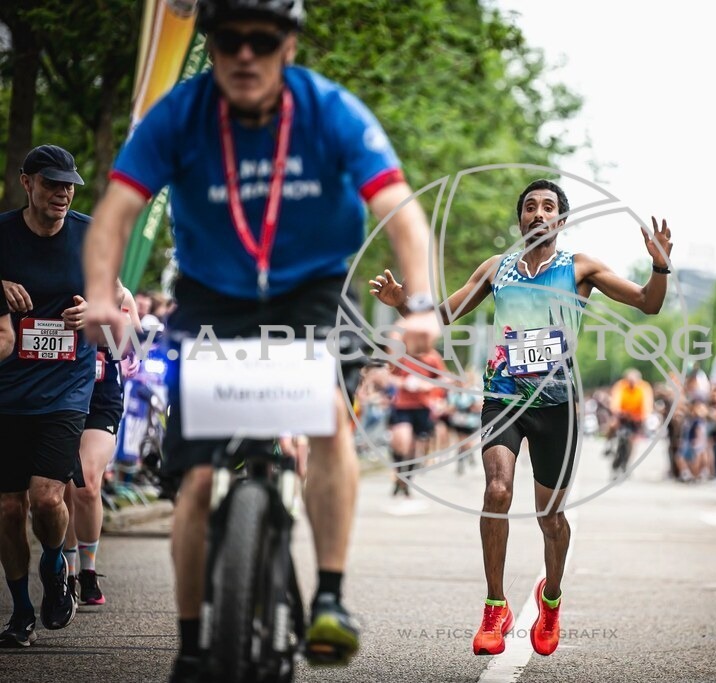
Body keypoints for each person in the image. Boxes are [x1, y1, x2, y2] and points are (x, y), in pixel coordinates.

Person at [81, 1, 434, 678]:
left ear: (288, 46)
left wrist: (420, 305)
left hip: (313, 291)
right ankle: (189, 641)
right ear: (211, 46)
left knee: (329, 416)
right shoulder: (182, 113)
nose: (245, 55)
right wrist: (100, 296)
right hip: (214, 295)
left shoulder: (330, 109)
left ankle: (329, 594)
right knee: (197, 475)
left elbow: (402, 212)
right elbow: (117, 209)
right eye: (228, 40)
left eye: (262, 40)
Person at [369, 178, 671, 657]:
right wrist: (404, 303)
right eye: (530, 207)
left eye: (548, 206)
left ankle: (550, 600)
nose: (538, 213)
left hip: (557, 406)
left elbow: (647, 302)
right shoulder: (498, 269)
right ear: (520, 219)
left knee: (550, 517)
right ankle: (495, 605)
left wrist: (659, 264)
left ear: (562, 220)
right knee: (497, 490)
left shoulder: (580, 267)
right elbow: (446, 314)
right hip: (504, 394)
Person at [0, 144, 97, 646]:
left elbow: (114, 297)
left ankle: (56, 563)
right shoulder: (2, 235)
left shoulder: (88, 235)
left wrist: (93, 310)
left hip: (65, 385)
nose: (63, 193)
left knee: (45, 498)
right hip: (7, 386)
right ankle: (20, 613)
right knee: (8, 509)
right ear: (27, 183)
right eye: (53, 183)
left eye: (69, 185)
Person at [63, 284, 143, 606]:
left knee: (86, 481)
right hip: (60, 389)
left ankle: (88, 571)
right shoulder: (59, 281)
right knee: (63, 484)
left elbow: (136, 345)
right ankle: (65, 573)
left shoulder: (120, 293)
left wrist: (130, 351)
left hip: (103, 394)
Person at [387, 326, 447, 496]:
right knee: (401, 441)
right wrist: (405, 383)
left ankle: (406, 481)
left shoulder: (432, 357)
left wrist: (427, 385)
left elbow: (443, 379)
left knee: (415, 448)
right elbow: (389, 376)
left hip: (423, 406)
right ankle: (399, 474)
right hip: (402, 405)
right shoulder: (401, 356)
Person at [608, 368, 655, 477]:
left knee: (632, 442)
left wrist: (643, 417)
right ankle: (608, 444)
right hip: (623, 417)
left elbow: (647, 404)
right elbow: (615, 402)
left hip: (636, 418)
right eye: (629, 381)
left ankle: (627, 464)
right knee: (613, 426)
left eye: (633, 382)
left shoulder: (644, 387)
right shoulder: (620, 386)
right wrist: (618, 412)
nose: (631, 384)